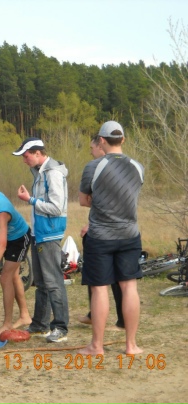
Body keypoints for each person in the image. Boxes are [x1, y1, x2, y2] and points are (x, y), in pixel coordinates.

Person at [78, 121, 144, 355]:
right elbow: (131, 198)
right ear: (123, 140)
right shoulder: (137, 166)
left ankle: (97, 346)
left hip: (100, 236)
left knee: (99, 289)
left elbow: (83, 200)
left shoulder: (93, 167)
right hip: (130, 234)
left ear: (102, 141)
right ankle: (131, 345)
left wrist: (100, 203)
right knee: (129, 287)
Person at [13, 137, 69, 343]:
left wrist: (30, 200)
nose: (24, 160)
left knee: (54, 282)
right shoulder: (40, 173)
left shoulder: (52, 173)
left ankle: (61, 327)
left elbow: (56, 207)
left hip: (50, 233)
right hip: (40, 233)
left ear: (38, 153)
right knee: (42, 282)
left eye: (26, 156)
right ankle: (40, 324)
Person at [78, 135, 124, 329]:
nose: (90, 152)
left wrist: (94, 222)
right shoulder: (121, 167)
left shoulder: (98, 167)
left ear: (101, 145)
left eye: (92, 148)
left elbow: (87, 200)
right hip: (119, 228)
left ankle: (114, 319)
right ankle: (108, 317)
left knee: (101, 280)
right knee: (119, 278)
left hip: (106, 232)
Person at [0, 188, 32, 335]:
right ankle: (24, 316)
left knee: (5, 277)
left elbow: (1, 245)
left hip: (20, 238)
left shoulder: (1, 213)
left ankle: (7, 324)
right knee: (13, 275)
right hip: (10, 237)